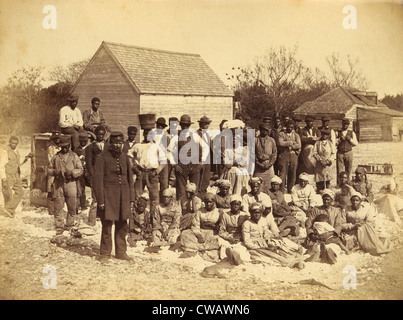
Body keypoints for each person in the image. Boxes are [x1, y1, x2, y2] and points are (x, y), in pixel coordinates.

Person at [94, 131, 135, 264]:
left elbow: (130, 179)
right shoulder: (102, 158)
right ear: (110, 143)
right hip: (108, 196)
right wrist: (100, 200)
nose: (118, 146)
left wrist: (131, 198)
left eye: (120, 143)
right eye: (115, 143)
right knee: (107, 225)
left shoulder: (125, 158)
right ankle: (105, 253)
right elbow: (97, 181)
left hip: (123, 196)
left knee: (123, 225)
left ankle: (121, 252)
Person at [242, 202, 305, 269]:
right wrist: (261, 248)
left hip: (264, 243)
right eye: (255, 213)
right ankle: (290, 264)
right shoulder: (247, 224)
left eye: (259, 213)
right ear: (251, 213)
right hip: (255, 246)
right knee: (273, 256)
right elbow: (247, 241)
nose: (257, 215)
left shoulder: (262, 221)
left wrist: (269, 242)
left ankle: (295, 260)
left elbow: (266, 234)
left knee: (280, 250)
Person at [47, 136, 83, 235]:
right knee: (58, 205)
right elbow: (49, 169)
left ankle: (70, 224)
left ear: (69, 146)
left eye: (66, 146)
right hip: (59, 184)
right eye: (62, 147)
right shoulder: (56, 157)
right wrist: (56, 171)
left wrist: (72, 172)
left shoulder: (74, 156)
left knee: (72, 205)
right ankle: (59, 226)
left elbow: (81, 169)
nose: (64, 148)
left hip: (71, 184)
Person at [129, 125, 166, 214]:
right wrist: (134, 168)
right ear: (143, 134)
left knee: (154, 198)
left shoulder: (157, 146)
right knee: (138, 196)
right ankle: (138, 218)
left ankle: (154, 219)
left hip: (152, 173)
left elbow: (164, 161)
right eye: (146, 134)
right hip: (140, 172)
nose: (148, 136)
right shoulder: (138, 145)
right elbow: (129, 157)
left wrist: (157, 171)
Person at [304, 189, 347, 261]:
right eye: (324, 199)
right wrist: (312, 235)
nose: (326, 201)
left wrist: (330, 233)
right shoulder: (316, 209)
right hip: (317, 236)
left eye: (328, 199)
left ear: (332, 200)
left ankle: (329, 255)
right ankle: (318, 255)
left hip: (331, 236)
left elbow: (338, 226)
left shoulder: (336, 211)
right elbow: (309, 223)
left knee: (333, 247)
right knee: (314, 246)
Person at [180, 193, 223, 261]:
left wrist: (214, 226)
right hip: (200, 232)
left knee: (218, 241)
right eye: (206, 202)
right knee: (185, 233)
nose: (208, 204)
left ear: (214, 202)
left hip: (212, 234)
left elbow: (222, 227)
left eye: (210, 202)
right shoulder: (200, 211)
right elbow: (195, 225)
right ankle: (202, 248)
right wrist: (199, 235)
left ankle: (194, 248)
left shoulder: (219, 212)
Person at [170, 114, 202, 200]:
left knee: (194, 189)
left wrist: (201, 162)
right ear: (180, 125)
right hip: (181, 166)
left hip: (194, 165)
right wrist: (174, 164)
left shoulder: (195, 136)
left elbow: (204, 148)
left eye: (187, 125)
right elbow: (168, 151)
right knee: (181, 190)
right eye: (183, 125)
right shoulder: (176, 137)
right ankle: (182, 210)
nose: (185, 127)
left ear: (189, 125)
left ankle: (193, 209)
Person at [217, 194, 250, 265]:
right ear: (230, 205)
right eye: (233, 204)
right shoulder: (225, 215)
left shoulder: (244, 215)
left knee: (242, 249)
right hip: (228, 237)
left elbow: (246, 229)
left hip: (240, 237)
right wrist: (229, 238)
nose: (235, 206)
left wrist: (240, 237)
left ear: (240, 205)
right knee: (223, 245)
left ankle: (237, 258)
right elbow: (222, 230)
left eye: (237, 204)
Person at [85, 125, 107, 227]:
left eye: (103, 134)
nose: (101, 136)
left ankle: (105, 219)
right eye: (99, 134)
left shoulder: (107, 146)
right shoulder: (90, 148)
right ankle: (91, 221)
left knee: (106, 197)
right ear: (96, 135)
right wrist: (93, 175)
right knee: (95, 199)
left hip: (107, 176)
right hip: (96, 176)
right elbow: (89, 163)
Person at [0, 136, 27, 217]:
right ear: (9, 142)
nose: (14, 145)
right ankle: (9, 211)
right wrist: (4, 179)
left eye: (15, 143)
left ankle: (9, 208)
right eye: (12, 143)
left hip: (16, 175)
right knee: (7, 194)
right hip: (7, 175)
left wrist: (26, 158)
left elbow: (17, 164)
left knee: (20, 192)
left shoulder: (16, 151)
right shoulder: (5, 151)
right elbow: (1, 166)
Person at [276, 119, 301, 193]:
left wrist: (292, 147)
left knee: (292, 174)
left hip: (293, 155)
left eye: (291, 127)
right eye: (288, 127)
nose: (290, 128)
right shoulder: (281, 134)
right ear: (286, 127)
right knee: (282, 174)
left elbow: (299, 145)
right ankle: (281, 191)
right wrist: (290, 143)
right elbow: (280, 143)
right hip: (284, 155)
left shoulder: (296, 135)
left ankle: (291, 190)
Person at [254, 123, 277, 191]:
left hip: (268, 165)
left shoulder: (272, 140)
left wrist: (270, 164)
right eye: (263, 130)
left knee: (270, 183)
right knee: (257, 183)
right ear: (260, 130)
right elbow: (252, 153)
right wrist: (258, 163)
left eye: (266, 130)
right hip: (258, 166)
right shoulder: (255, 140)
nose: (264, 132)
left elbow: (274, 154)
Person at [335, 118, 358, 183]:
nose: (345, 125)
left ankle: (348, 184)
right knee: (339, 171)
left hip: (349, 153)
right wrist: (339, 140)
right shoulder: (337, 132)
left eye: (346, 124)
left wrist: (349, 139)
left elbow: (355, 144)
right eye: (344, 124)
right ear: (342, 124)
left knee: (349, 170)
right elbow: (334, 143)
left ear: (348, 125)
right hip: (340, 153)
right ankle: (339, 185)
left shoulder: (352, 133)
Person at [197, 116, 213, 197]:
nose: (207, 125)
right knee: (200, 176)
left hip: (208, 158)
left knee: (206, 177)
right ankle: (198, 193)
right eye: (205, 124)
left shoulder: (207, 133)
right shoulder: (197, 134)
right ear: (201, 124)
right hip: (201, 158)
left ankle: (203, 192)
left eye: (208, 124)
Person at [46, 131, 62, 216]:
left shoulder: (61, 147)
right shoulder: (51, 148)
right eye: (56, 138)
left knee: (58, 190)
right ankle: (51, 211)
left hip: (59, 170)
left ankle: (57, 209)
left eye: (58, 138)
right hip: (53, 170)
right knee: (51, 190)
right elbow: (52, 159)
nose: (58, 140)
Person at [74, 132, 90, 212]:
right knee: (81, 188)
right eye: (81, 141)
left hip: (88, 171)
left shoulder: (89, 149)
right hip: (80, 172)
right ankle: (82, 205)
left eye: (85, 141)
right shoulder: (76, 150)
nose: (83, 142)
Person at [155, 117, 170, 199]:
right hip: (155, 160)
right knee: (154, 181)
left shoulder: (166, 136)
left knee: (164, 181)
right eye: (158, 125)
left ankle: (163, 200)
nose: (160, 127)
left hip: (163, 160)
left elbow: (168, 149)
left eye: (162, 126)